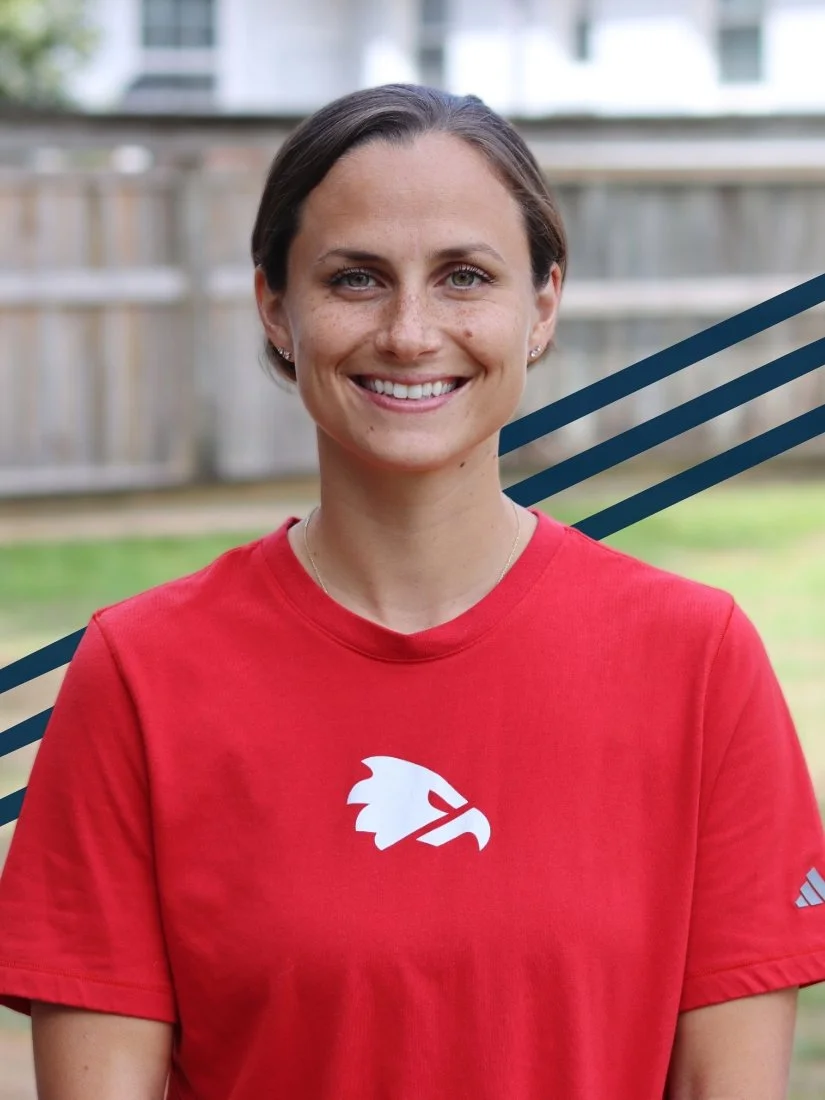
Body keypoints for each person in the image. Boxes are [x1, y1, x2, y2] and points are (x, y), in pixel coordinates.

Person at [0, 83, 824, 1100]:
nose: (409, 331)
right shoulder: (140, 675)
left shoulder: (696, 658)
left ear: (543, 306)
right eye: (355, 279)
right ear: (275, 306)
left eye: (466, 276)